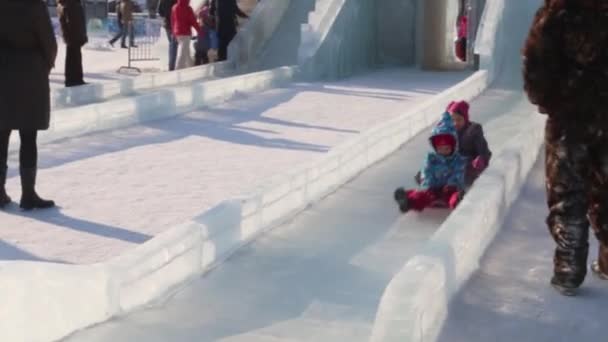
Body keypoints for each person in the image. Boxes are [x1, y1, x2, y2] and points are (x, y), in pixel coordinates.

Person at [522, 0, 608, 296]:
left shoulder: (556, 12)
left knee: (567, 194)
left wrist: (546, 100)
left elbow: (535, 61)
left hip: (569, 120)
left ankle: (568, 270)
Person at [0, 0, 57, 210]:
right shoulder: (33, 5)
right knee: (28, 135)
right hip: (30, 73)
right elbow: (49, 43)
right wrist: (45, 66)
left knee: (1, 135)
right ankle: (28, 193)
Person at [395, 112, 466, 213]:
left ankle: (457, 201)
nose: (443, 151)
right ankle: (408, 202)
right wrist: (429, 183)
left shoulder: (457, 159)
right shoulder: (431, 159)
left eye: (447, 148)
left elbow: (458, 173)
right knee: (423, 196)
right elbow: (426, 171)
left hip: (449, 189)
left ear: (453, 147)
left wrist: (451, 184)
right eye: (440, 148)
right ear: (435, 148)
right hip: (434, 188)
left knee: (452, 194)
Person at [415, 101, 491, 186]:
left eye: (459, 119)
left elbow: (484, 151)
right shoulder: (447, 131)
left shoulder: (473, 131)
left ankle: (456, 190)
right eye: (452, 120)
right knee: (433, 167)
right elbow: (439, 150)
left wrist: (481, 160)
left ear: (465, 119)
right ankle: (429, 184)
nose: (455, 123)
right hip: (449, 161)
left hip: (467, 164)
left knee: (462, 170)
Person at [57, 0, 88, 87]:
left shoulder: (70, 3)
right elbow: (72, 21)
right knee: (73, 57)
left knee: (74, 57)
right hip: (73, 35)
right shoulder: (69, 4)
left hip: (73, 35)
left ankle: (75, 79)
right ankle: (74, 79)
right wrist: (78, 34)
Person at [171, 0, 201, 69]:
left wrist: (173, 32)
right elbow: (193, 21)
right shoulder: (188, 9)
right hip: (186, 33)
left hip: (178, 33)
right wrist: (199, 30)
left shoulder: (174, 7)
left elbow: (173, 21)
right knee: (182, 54)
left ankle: (191, 67)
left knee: (186, 52)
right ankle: (178, 69)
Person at [158, 0, 178, 70]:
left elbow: (160, 12)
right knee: (174, 45)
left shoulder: (162, 1)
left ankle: (171, 64)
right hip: (175, 24)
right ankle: (172, 65)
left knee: (172, 44)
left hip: (167, 24)